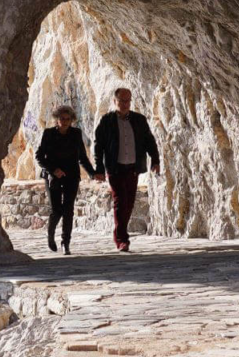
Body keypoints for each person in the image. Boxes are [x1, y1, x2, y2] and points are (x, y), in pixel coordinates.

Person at [94, 88, 160, 252]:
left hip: (133, 168)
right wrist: (99, 168)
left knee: (129, 203)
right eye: (122, 101)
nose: (125, 104)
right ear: (114, 101)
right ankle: (122, 239)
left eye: (128, 101)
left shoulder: (139, 120)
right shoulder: (107, 121)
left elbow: (149, 141)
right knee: (119, 201)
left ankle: (120, 232)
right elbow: (98, 146)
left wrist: (155, 160)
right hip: (115, 168)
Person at [35, 105, 96, 256]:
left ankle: (65, 243)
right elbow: (40, 156)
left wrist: (92, 173)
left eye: (68, 119)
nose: (65, 121)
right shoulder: (48, 134)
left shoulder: (76, 133)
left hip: (71, 176)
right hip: (53, 176)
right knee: (56, 210)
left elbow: (82, 157)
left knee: (68, 210)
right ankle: (50, 235)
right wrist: (54, 170)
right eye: (62, 119)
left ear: (72, 120)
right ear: (57, 119)